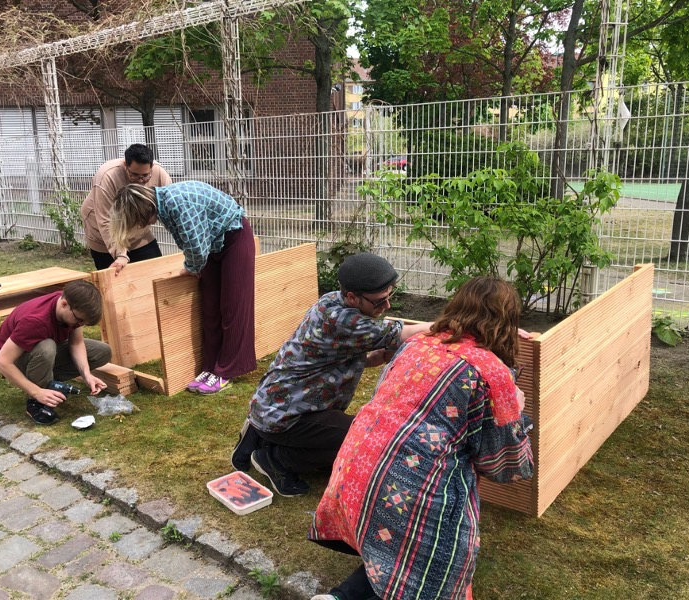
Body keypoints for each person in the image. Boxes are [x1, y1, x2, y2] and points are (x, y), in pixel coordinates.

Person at [307, 276, 534, 600]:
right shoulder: (492, 372)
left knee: (396, 547)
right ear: (507, 321)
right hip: (405, 490)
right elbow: (506, 465)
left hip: (354, 470)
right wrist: (515, 411)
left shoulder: (418, 343)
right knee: (435, 563)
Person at [230, 252, 433, 497]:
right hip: (287, 414)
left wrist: (377, 357)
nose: (387, 306)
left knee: (345, 439)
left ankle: (259, 434)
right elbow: (402, 333)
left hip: (274, 403)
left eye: (390, 297)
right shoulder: (343, 321)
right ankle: (276, 458)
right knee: (361, 437)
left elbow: (343, 359)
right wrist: (453, 324)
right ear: (352, 296)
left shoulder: (331, 300)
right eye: (379, 302)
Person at [110, 180, 256, 395]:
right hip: (212, 245)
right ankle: (210, 367)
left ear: (142, 211)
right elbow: (191, 241)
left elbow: (196, 249)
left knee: (233, 307)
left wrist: (190, 267)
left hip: (234, 237)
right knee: (210, 308)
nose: (141, 227)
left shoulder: (177, 203)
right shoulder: (163, 205)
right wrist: (194, 265)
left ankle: (226, 371)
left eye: (137, 222)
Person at [0, 280, 112, 425]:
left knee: (102, 351)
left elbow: (76, 343)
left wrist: (87, 375)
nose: (79, 325)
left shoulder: (71, 304)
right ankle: (36, 403)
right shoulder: (35, 321)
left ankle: (46, 380)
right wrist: (37, 392)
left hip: (40, 349)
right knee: (46, 347)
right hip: (12, 360)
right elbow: (1, 362)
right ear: (64, 304)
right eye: (79, 320)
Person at [81, 143, 172, 270]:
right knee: (115, 278)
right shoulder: (107, 176)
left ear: (152, 167)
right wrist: (121, 255)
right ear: (125, 165)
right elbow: (105, 220)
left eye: (145, 176)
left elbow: (170, 206)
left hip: (139, 235)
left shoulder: (160, 173)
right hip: (105, 237)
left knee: (157, 271)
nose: (140, 180)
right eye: (134, 175)